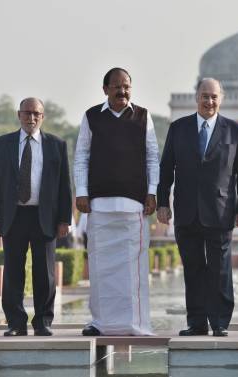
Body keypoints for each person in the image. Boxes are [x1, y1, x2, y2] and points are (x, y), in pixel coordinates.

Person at [157, 78, 238, 337]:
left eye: (213, 96)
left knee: (220, 268)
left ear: (221, 98)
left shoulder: (235, 131)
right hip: (187, 212)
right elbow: (166, 169)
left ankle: (220, 322)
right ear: (196, 97)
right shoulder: (179, 128)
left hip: (220, 211)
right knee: (193, 268)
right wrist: (163, 202)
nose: (209, 101)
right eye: (204, 96)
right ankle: (197, 323)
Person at [74, 67, 159, 336]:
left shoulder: (143, 116)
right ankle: (100, 322)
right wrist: (82, 191)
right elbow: (81, 156)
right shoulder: (91, 117)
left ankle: (136, 323)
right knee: (101, 268)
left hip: (134, 204)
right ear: (105, 89)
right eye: (117, 87)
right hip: (99, 204)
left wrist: (152, 191)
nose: (122, 92)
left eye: (127, 87)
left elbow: (152, 157)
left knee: (133, 269)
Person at [0, 98, 72, 337]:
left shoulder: (56, 145)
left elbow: (65, 185)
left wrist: (65, 219)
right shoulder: (2, 144)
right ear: (18, 115)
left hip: (45, 217)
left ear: (43, 117)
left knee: (45, 272)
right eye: (27, 113)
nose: (31, 118)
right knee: (13, 271)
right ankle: (15, 323)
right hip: (13, 217)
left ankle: (43, 322)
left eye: (36, 114)